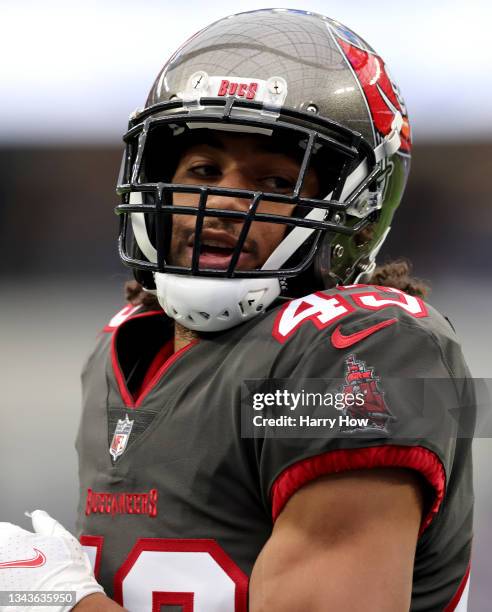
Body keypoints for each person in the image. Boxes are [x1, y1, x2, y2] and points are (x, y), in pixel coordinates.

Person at [0, 9, 474, 612]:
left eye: (275, 183)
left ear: (356, 210)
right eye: (203, 168)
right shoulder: (124, 343)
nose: (221, 199)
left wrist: (59, 603)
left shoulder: (378, 345)